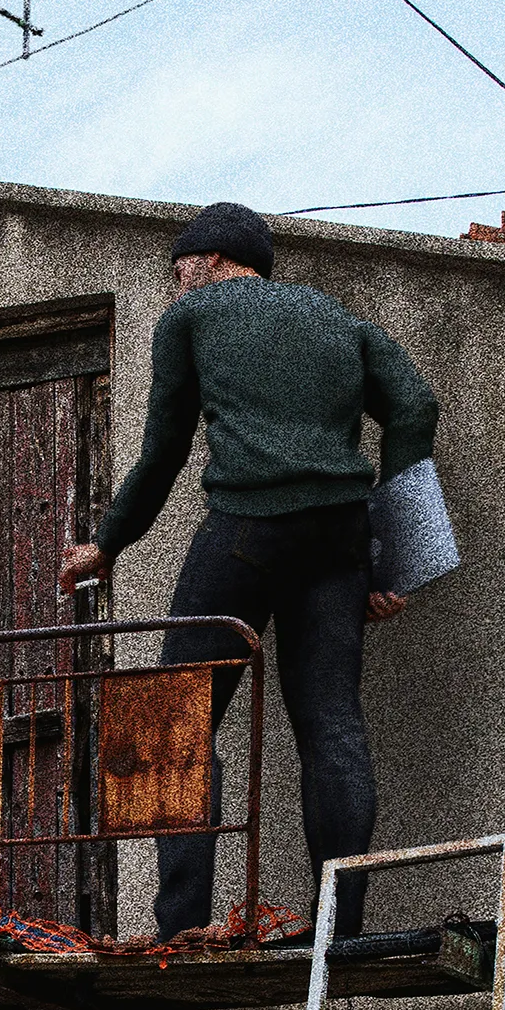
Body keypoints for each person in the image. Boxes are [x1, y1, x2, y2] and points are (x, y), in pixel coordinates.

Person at [59, 202, 438, 940]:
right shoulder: (339, 320)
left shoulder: (193, 318)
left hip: (248, 527)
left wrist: (107, 543)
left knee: (175, 716)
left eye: (178, 273)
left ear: (213, 260)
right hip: (340, 535)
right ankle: (342, 929)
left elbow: (164, 449)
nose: (176, 288)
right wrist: (398, 559)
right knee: (330, 724)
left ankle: (179, 929)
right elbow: (415, 407)